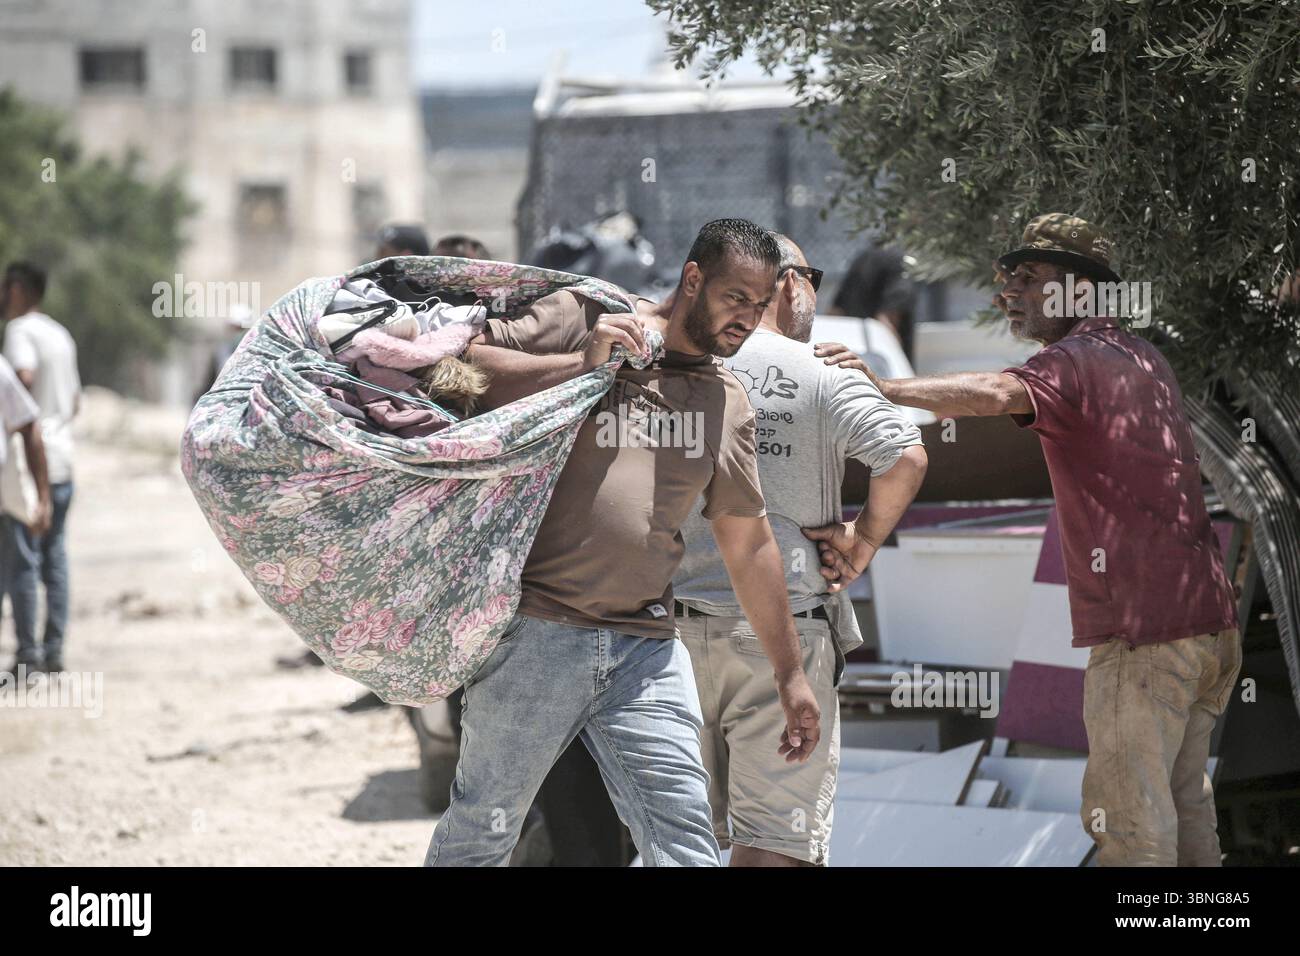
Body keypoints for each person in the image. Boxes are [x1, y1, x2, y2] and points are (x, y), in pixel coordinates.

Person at [824, 213, 1240, 867]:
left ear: (1081, 287)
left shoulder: (1077, 360)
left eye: (1029, 276)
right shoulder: (1140, 354)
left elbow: (997, 392)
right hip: (1205, 623)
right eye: (1006, 277)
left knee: (1132, 830)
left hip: (1145, 635)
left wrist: (877, 385)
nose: (1006, 291)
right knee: (1186, 815)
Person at [423, 218, 821, 867]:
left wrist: (790, 673)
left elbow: (748, 546)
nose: (747, 320)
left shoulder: (725, 401)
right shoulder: (589, 314)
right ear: (693, 279)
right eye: (734, 299)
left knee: (683, 836)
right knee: (483, 828)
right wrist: (580, 369)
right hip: (536, 634)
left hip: (645, 649)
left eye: (758, 305)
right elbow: (460, 367)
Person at [673, 233, 927, 866]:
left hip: (666, 632)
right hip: (782, 636)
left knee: (679, 838)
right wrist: (863, 540)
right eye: (811, 275)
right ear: (787, 284)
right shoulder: (818, 371)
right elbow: (905, 455)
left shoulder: (674, 361)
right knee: (773, 843)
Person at [0, 262, 69, 676]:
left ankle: (29, 655)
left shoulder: (19, 332)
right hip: (63, 458)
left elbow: (22, 380)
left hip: (29, 464)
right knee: (53, 558)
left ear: (19, 289)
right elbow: (74, 401)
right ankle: (52, 650)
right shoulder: (59, 333)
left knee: (22, 560)